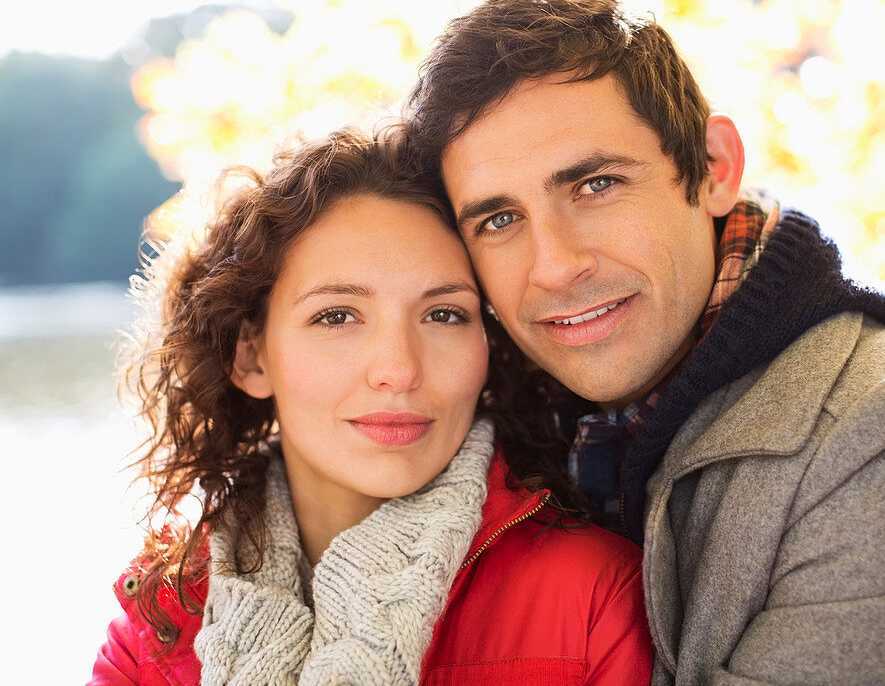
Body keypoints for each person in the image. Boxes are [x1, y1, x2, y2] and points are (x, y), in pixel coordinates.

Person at [405, 0, 885, 684]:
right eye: (497, 220)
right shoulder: (454, 420)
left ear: (714, 168)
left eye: (597, 184)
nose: (554, 266)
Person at [88, 126, 653, 685]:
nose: (399, 370)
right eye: (337, 316)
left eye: (444, 314)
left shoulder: (594, 599)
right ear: (251, 358)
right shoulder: (159, 623)